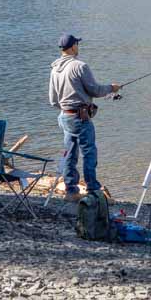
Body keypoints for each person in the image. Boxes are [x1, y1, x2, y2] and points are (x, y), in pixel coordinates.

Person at [48, 33, 119, 200]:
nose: (78, 47)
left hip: (64, 116)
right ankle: (93, 190)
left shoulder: (54, 69)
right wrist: (112, 88)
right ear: (73, 47)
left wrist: (66, 108)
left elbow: (53, 100)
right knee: (89, 152)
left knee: (70, 153)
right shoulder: (80, 66)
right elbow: (94, 90)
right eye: (77, 44)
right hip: (80, 118)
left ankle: (71, 190)